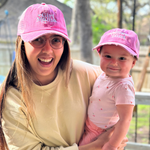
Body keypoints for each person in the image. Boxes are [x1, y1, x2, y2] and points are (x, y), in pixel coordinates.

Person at [0, 3, 127, 150]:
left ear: (64, 44)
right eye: (38, 39)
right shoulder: (13, 98)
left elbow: (123, 91)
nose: (47, 50)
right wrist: (97, 145)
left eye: (55, 40)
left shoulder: (87, 74)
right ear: (22, 44)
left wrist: (115, 135)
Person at [79, 28, 139, 150]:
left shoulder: (123, 87)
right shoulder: (104, 75)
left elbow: (125, 120)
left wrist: (112, 145)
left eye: (122, 58)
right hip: (90, 126)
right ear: (99, 55)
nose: (114, 63)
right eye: (108, 56)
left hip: (102, 132)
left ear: (133, 63)